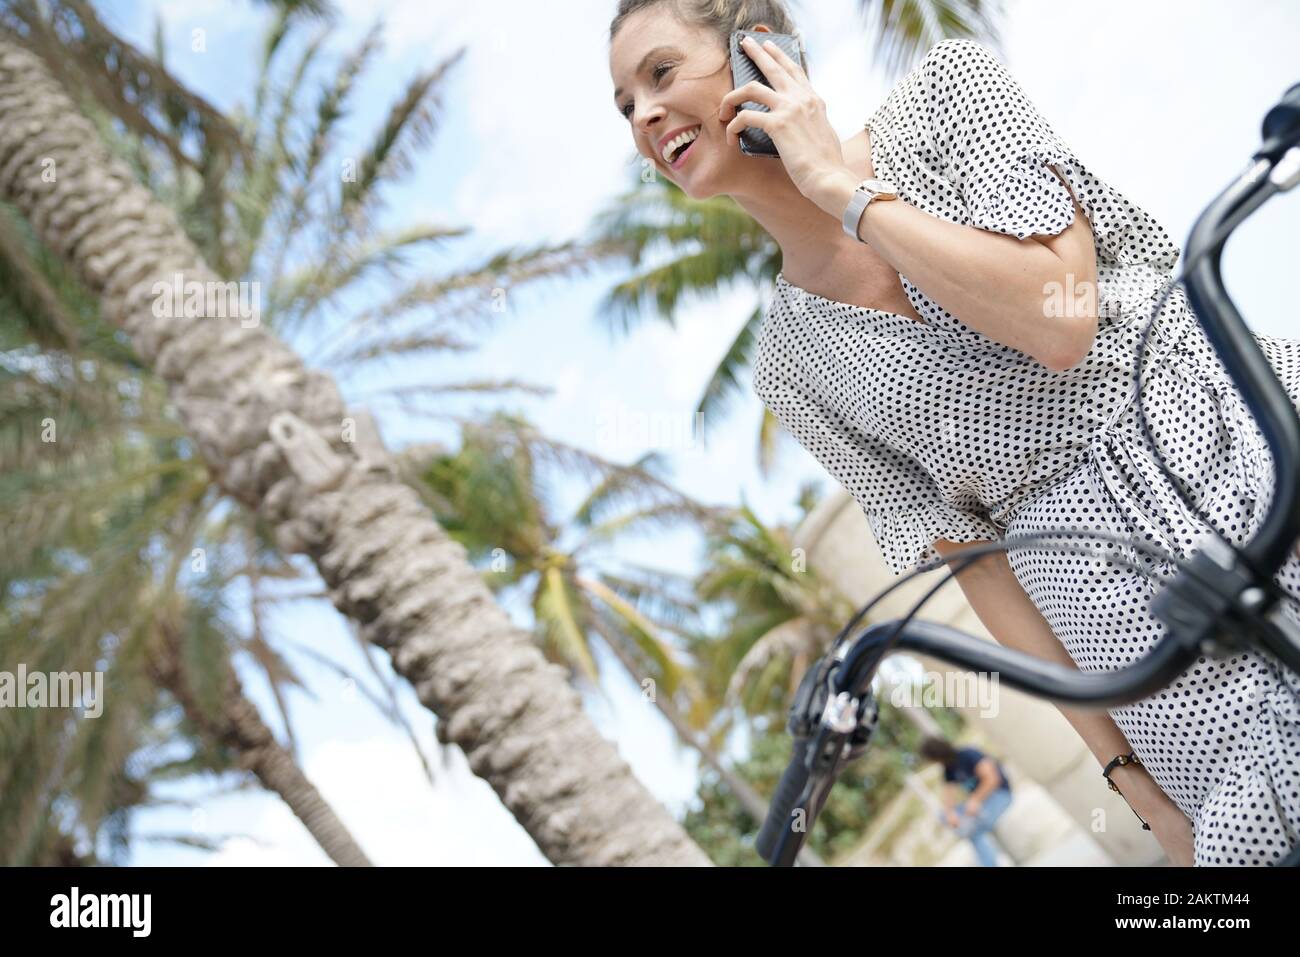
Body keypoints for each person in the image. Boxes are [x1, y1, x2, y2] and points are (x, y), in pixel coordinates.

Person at [608, 0, 1300, 867]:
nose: (642, 115)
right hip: (1127, 627)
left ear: (759, 50)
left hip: (1237, 445)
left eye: (661, 74)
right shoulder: (787, 364)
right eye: (625, 103)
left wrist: (843, 194)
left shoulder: (948, 92)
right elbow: (973, 560)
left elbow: (1061, 319)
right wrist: (1131, 778)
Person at [921, 737, 1013, 866]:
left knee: (972, 831)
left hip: (999, 795)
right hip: (979, 805)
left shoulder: (967, 754)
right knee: (946, 817)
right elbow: (948, 798)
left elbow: (993, 779)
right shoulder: (949, 769)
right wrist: (950, 813)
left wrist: (975, 799)